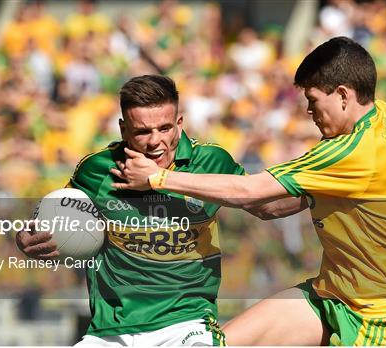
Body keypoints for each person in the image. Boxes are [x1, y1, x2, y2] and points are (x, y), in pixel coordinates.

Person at [112, 37, 386, 346]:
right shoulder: (382, 116)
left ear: (343, 95)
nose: (308, 111)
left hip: (378, 317)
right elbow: (272, 205)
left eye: (313, 100)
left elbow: (250, 190)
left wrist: (159, 178)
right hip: (333, 295)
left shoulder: (354, 152)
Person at [16, 74, 305, 346]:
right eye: (142, 132)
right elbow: (53, 220)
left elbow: (269, 206)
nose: (155, 141)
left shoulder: (212, 162)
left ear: (179, 123)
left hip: (186, 325)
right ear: (123, 129)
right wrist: (28, 239)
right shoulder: (96, 169)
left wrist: (325, 192)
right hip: (110, 330)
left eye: (165, 128)